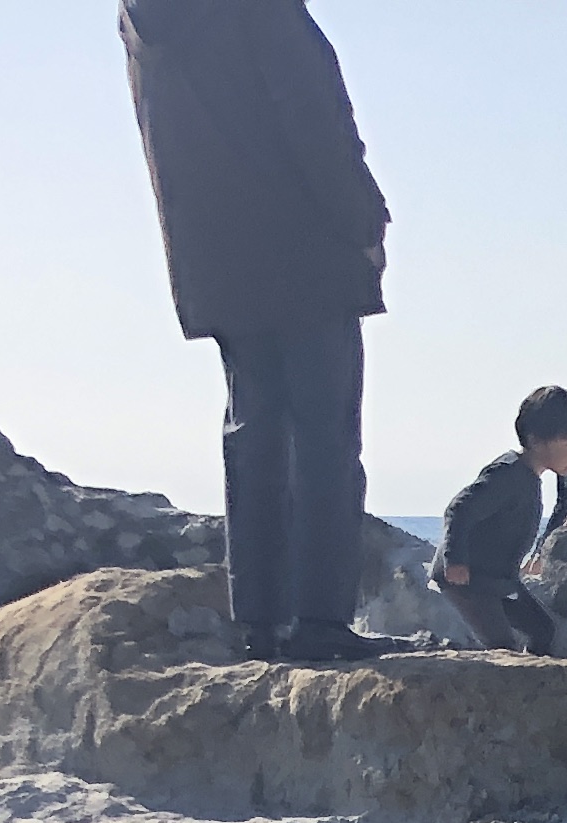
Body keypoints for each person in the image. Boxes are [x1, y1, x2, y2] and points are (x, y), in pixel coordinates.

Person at [120, 0, 393, 664]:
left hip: (216, 255)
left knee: (254, 433)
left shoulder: (140, 16)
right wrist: (365, 222)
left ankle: (261, 621)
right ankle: (321, 620)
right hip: (302, 245)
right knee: (325, 437)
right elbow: (313, 119)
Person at [436, 386, 567, 653]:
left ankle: (534, 687)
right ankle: (497, 690)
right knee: (501, 645)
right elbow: (460, 508)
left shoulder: (529, 478)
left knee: (543, 629)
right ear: (535, 440)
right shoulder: (508, 474)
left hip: (499, 579)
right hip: (469, 580)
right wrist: (455, 559)